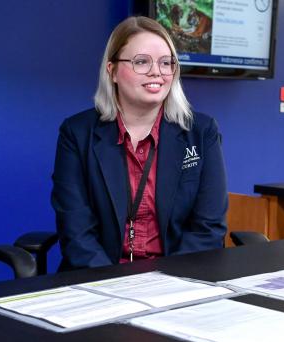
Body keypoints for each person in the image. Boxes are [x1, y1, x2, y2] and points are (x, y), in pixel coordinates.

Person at [51, 16, 227, 270]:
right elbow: (77, 234)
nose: (156, 71)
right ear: (111, 71)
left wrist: (168, 284)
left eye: (166, 63)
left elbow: (207, 229)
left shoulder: (201, 131)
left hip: (180, 279)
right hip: (98, 279)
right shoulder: (77, 134)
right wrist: (114, 287)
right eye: (141, 62)